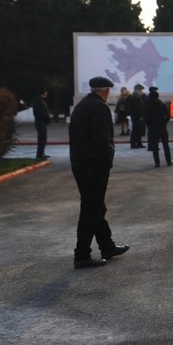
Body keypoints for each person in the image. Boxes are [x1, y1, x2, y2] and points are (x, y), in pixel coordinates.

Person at [68, 76, 128, 269]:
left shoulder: (83, 105)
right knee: (90, 209)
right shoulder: (99, 108)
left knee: (95, 206)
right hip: (93, 165)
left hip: (81, 163)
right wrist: (107, 161)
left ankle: (107, 246)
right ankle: (82, 254)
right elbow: (102, 140)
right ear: (106, 91)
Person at [143, 87, 172, 167]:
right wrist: (164, 122)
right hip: (162, 127)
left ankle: (157, 163)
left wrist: (149, 125)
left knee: (155, 146)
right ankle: (168, 161)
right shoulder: (161, 104)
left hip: (153, 128)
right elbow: (168, 116)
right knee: (166, 145)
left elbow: (146, 117)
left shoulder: (147, 105)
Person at [32, 87, 51, 159]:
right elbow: (43, 113)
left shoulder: (39, 100)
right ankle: (40, 154)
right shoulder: (39, 101)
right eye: (46, 92)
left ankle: (41, 153)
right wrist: (47, 119)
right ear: (43, 93)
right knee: (42, 138)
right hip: (40, 122)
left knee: (42, 138)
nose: (47, 94)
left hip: (40, 122)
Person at [127, 84, 146, 149]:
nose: (141, 91)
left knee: (138, 130)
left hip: (136, 116)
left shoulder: (135, 96)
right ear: (137, 90)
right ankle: (133, 144)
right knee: (135, 130)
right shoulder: (135, 97)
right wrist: (140, 116)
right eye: (140, 90)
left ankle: (138, 143)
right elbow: (137, 108)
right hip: (136, 117)